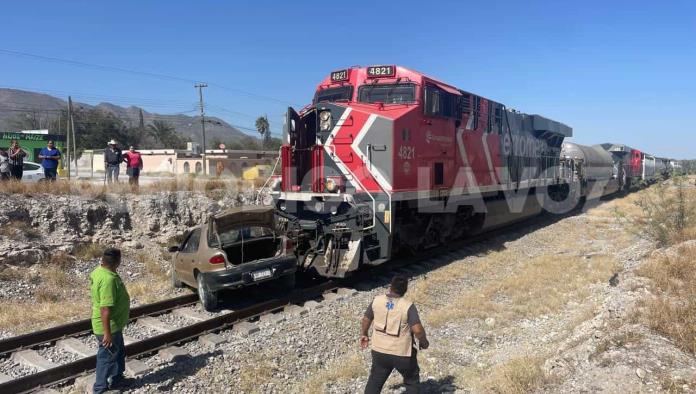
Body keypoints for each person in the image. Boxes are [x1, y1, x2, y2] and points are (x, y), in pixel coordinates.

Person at [361, 275, 429, 394]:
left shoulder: (377, 300)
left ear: (390, 286)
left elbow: (366, 319)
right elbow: (417, 330)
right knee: (411, 381)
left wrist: (364, 334)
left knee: (375, 380)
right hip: (402, 352)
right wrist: (424, 342)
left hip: (379, 351)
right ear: (405, 289)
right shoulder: (407, 306)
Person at [90, 248, 130, 394]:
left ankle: (118, 379)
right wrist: (107, 333)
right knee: (106, 357)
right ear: (117, 262)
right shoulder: (109, 279)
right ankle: (100, 388)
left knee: (118, 352)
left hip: (115, 325)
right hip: (108, 327)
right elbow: (105, 309)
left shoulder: (99, 271)